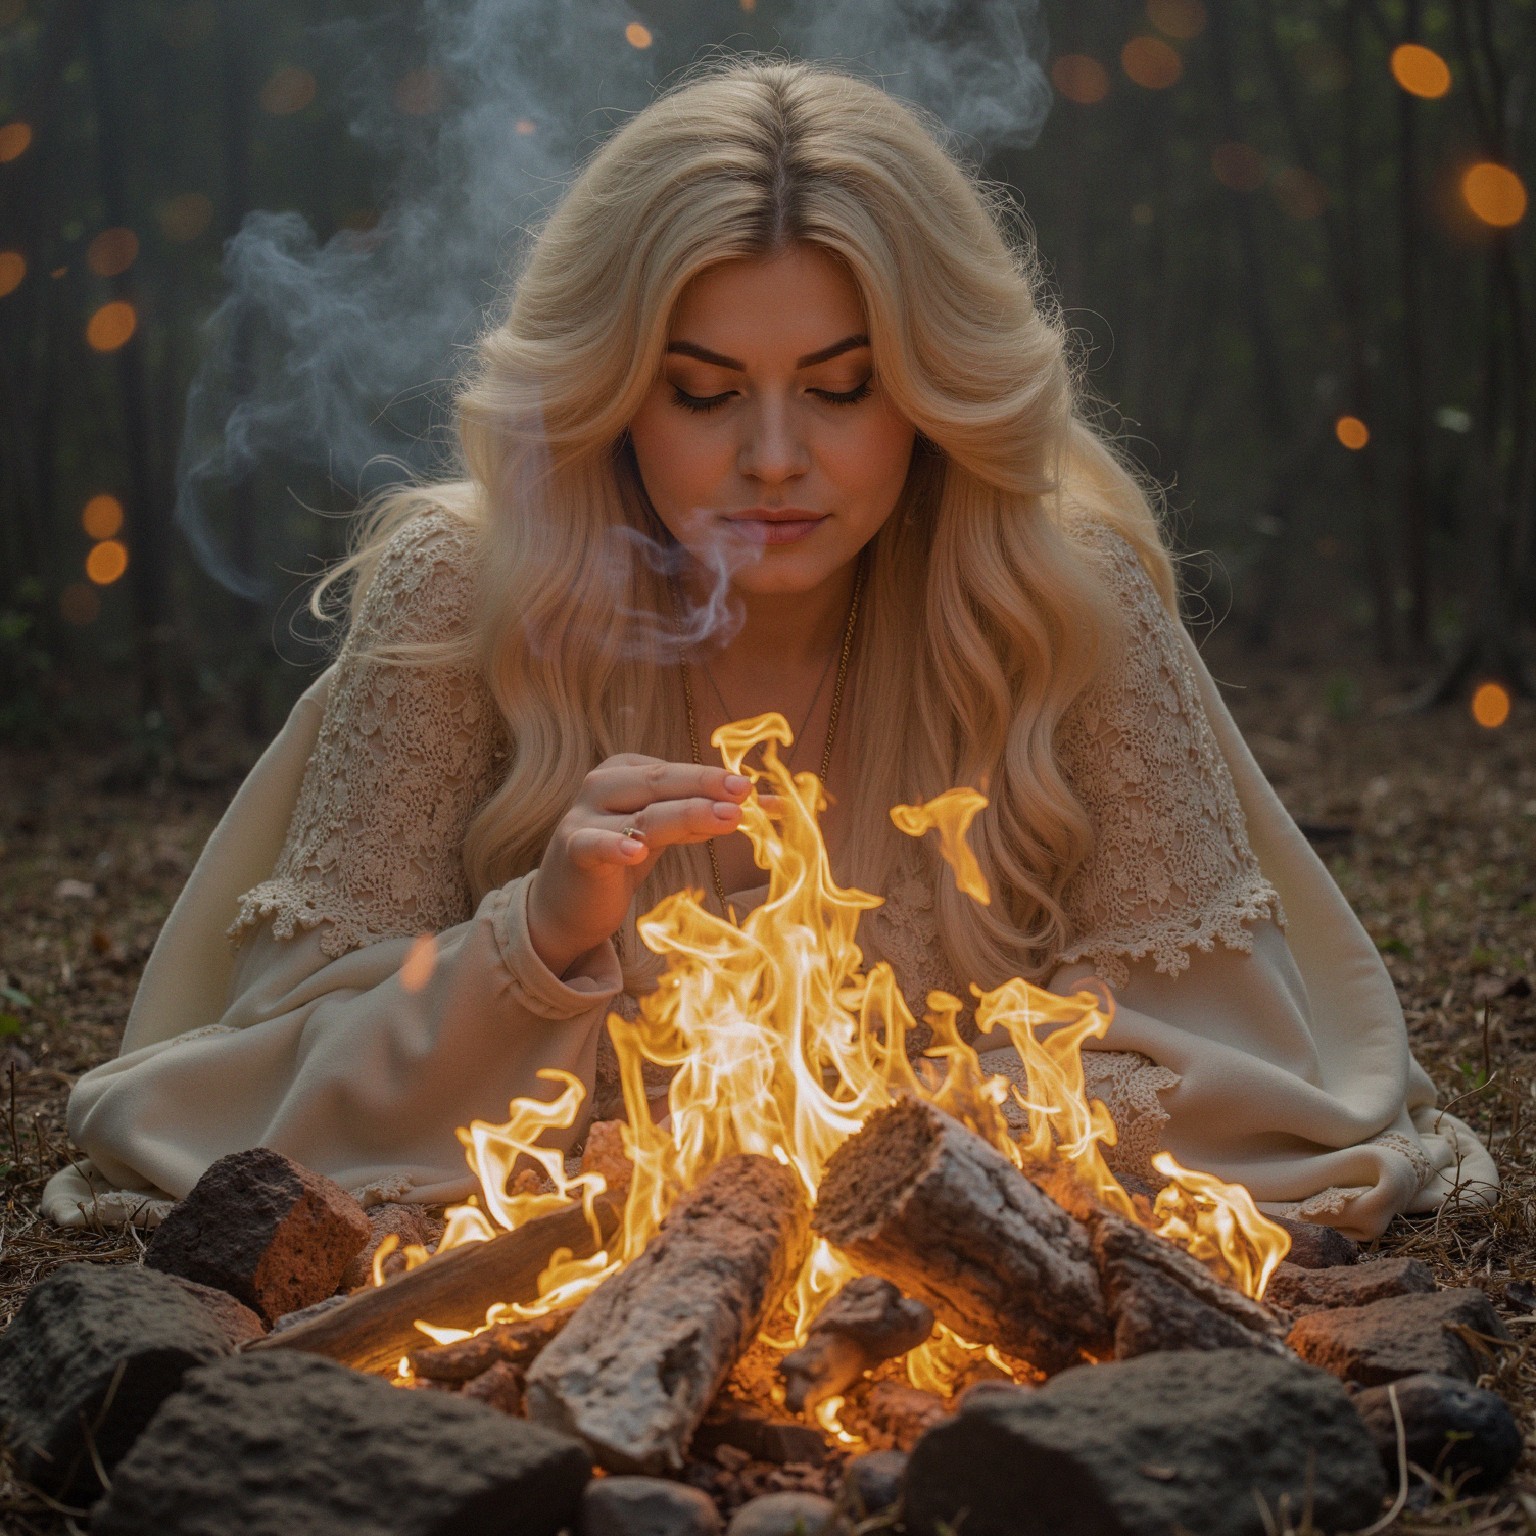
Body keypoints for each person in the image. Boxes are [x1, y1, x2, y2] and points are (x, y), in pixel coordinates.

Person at [44, 59, 1495, 1240]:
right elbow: (260, 1097)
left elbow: (1249, 1073)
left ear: (932, 391)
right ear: (611, 393)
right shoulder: (462, 595)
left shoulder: (1062, 598)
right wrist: (537, 942)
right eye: (703, 392)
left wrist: (871, 1132)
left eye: (844, 387)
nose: (777, 459)